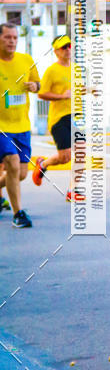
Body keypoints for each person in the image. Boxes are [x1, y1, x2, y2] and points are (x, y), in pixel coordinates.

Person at [0, 22, 41, 227]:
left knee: (21, 174)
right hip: (1, 126)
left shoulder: (26, 60)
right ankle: (18, 215)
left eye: (15, 38)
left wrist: (35, 86)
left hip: (22, 126)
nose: (12, 41)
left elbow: (38, 85)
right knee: (12, 163)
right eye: (7, 37)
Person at [32, 35, 73, 200]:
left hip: (77, 116)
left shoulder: (76, 68)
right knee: (64, 157)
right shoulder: (51, 70)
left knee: (80, 153)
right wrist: (61, 96)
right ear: (56, 51)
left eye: (69, 46)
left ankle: (73, 191)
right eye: (64, 47)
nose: (68, 49)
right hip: (59, 118)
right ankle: (43, 164)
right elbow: (41, 93)